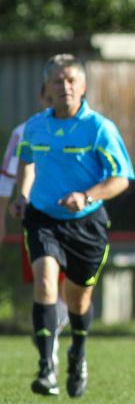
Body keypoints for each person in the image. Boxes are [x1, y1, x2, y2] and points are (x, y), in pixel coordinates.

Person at [12, 54, 135, 398]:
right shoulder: (35, 126)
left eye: (71, 81)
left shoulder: (99, 128)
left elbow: (121, 178)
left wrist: (87, 195)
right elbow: (26, 160)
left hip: (86, 223)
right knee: (45, 281)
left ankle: (77, 353)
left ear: (82, 86)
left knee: (78, 301)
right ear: (47, 88)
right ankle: (45, 368)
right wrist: (21, 195)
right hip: (42, 218)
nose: (64, 87)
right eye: (57, 81)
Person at [1, 87, 70, 370]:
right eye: (51, 96)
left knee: (73, 293)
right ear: (42, 98)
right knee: (46, 282)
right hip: (39, 220)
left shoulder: (85, 129)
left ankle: (50, 329)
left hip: (77, 221)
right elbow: (6, 180)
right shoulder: (25, 131)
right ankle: (48, 350)